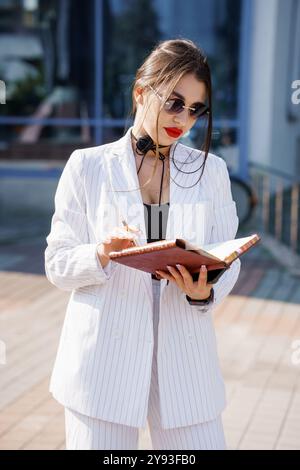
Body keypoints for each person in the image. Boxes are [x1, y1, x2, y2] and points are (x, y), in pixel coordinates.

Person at [44, 38, 241, 450]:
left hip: (185, 355)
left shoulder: (213, 171)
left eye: (195, 109)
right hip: (103, 362)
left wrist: (205, 292)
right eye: (173, 102)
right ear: (140, 93)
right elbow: (57, 262)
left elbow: (229, 254)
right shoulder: (88, 166)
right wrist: (99, 254)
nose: (183, 119)